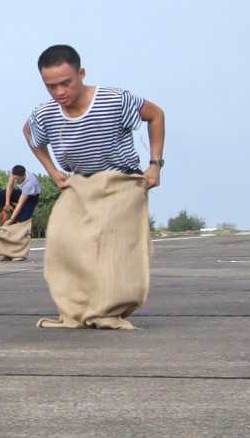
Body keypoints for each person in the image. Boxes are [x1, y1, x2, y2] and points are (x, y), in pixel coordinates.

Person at [24, 44, 166, 330]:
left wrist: (155, 163)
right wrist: (53, 171)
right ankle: (76, 310)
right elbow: (30, 133)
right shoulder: (45, 114)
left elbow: (156, 115)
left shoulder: (114, 100)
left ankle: (108, 310)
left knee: (110, 250)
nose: (60, 92)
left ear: (81, 74)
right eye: (51, 86)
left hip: (120, 181)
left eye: (66, 83)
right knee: (63, 242)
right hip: (80, 183)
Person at [0, 165, 39, 261]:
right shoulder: (14, 172)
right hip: (20, 192)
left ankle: (19, 254)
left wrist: (11, 219)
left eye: (18, 179)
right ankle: (15, 215)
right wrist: (7, 203)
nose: (16, 181)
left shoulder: (29, 183)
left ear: (23, 176)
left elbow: (20, 204)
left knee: (22, 224)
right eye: (15, 178)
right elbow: (9, 186)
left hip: (31, 198)